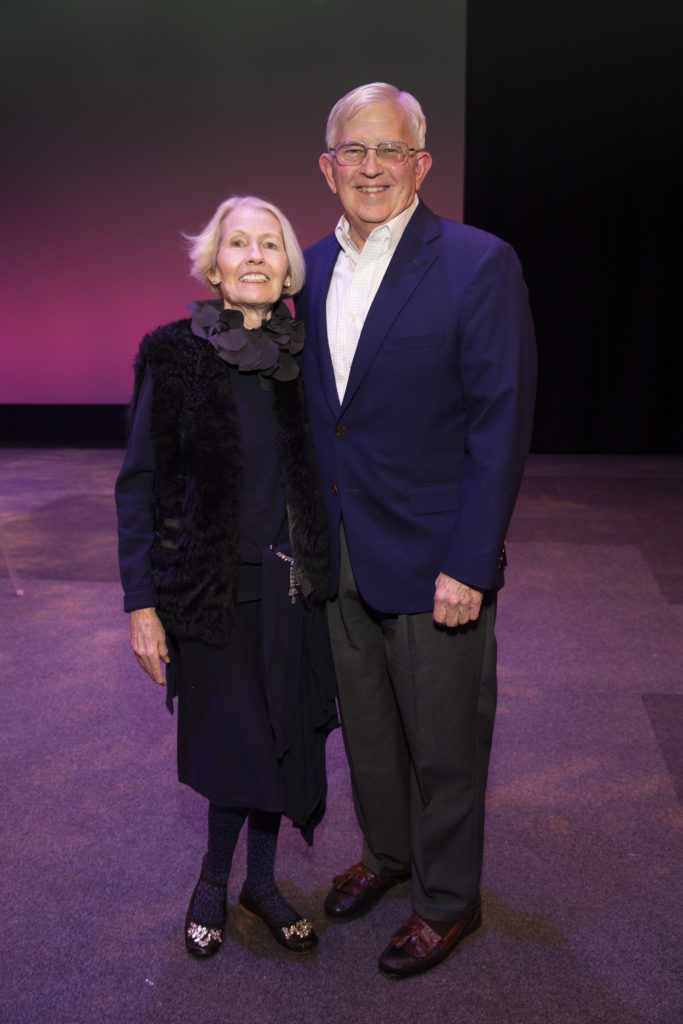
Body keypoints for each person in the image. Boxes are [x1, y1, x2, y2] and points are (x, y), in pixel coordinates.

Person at [296, 83, 537, 979]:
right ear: (327, 168)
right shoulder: (307, 268)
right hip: (339, 548)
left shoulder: (477, 263)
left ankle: (446, 900)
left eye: (388, 151)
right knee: (365, 728)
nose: (369, 167)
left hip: (437, 555)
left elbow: (499, 421)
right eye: (352, 152)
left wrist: (470, 562)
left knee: (444, 741)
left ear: (420, 164)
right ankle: (389, 855)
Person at [115, 195, 338, 959]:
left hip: (294, 589)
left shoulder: (310, 357)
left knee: (283, 738)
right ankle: (215, 880)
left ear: (287, 269)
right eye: (236, 243)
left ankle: (263, 883)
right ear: (213, 266)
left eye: (269, 245)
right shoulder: (173, 352)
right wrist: (141, 604)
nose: (252, 255)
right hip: (211, 592)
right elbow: (139, 483)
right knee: (235, 740)